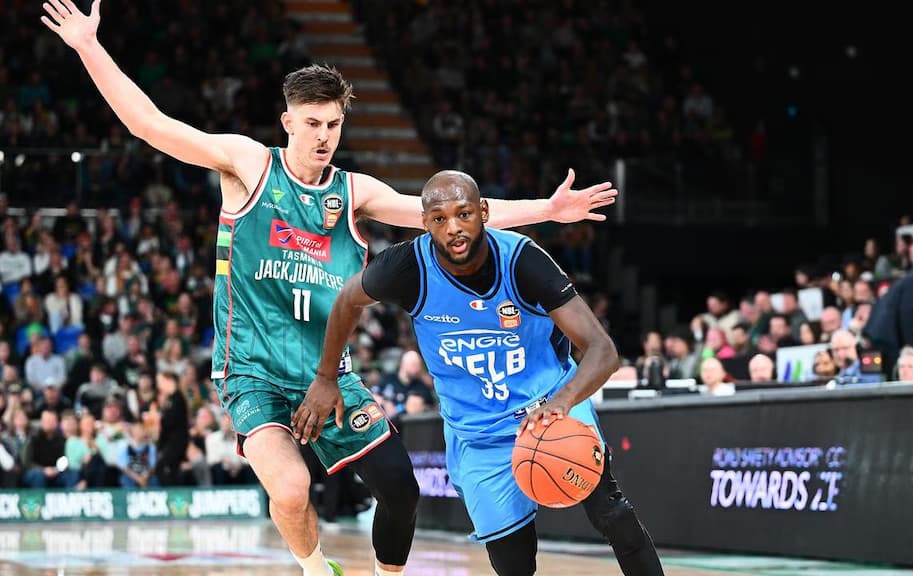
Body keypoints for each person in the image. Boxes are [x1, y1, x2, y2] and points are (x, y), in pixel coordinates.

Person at [43, 2, 616, 574]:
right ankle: (318, 570)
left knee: (401, 489)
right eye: (312, 123)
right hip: (252, 371)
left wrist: (548, 208)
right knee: (291, 490)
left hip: (326, 371)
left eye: (333, 125)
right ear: (288, 121)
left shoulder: (355, 191)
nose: (323, 136)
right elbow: (151, 125)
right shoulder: (248, 165)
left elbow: (451, 215)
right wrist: (89, 47)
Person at [296, 171, 663, 575]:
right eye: (439, 218)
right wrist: (326, 378)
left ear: (484, 212)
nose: (453, 227)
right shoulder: (407, 269)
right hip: (478, 434)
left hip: (549, 409)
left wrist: (562, 403)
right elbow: (348, 299)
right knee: (513, 563)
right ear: (425, 223)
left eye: (464, 213)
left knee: (613, 514)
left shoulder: (523, 261)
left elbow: (602, 350)